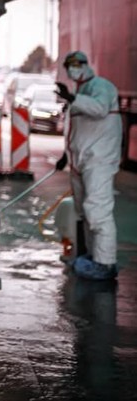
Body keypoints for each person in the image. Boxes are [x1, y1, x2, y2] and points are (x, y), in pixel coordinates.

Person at [54, 51, 122, 281]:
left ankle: (105, 263)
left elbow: (100, 109)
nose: (72, 69)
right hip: (81, 160)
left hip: (99, 159)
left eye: (76, 64)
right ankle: (92, 256)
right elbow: (76, 130)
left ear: (85, 64)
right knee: (83, 210)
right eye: (69, 65)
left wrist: (72, 99)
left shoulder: (101, 86)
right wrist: (66, 155)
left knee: (97, 210)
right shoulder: (80, 92)